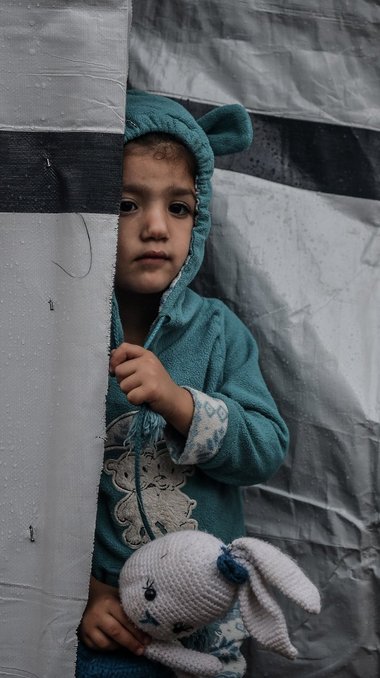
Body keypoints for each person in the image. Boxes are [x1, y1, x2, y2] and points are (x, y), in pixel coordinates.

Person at [76, 90, 289, 678]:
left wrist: (180, 404)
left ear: (200, 219)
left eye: (178, 207)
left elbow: (267, 447)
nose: (154, 228)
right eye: (124, 204)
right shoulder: (65, 335)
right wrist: (82, 595)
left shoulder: (218, 333)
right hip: (109, 622)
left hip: (207, 632)